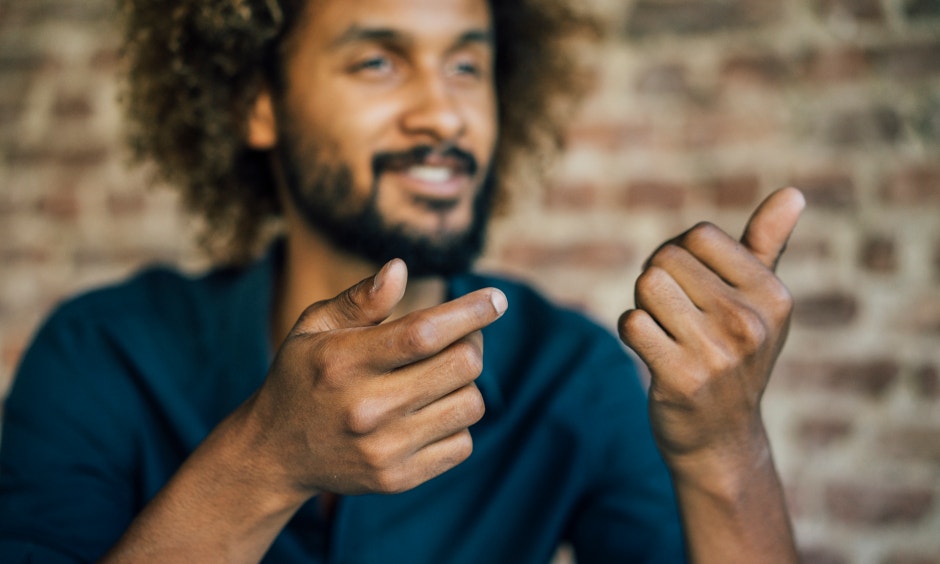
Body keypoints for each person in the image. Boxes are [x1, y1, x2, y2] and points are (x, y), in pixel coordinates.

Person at [0, 0, 804, 561]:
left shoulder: (572, 377)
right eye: (379, 61)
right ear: (258, 102)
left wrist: (726, 448)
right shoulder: (101, 353)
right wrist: (264, 462)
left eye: (465, 64)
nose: (445, 116)